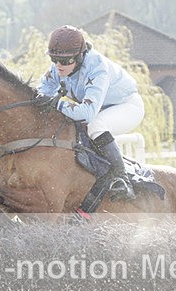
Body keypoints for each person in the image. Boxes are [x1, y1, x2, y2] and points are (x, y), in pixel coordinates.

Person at [37, 25, 145, 201]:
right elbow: (40, 94)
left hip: (127, 106)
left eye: (65, 61)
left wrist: (55, 102)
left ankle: (121, 179)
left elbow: (86, 114)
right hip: (99, 109)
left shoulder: (97, 67)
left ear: (80, 57)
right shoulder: (58, 68)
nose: (58, 65)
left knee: (96, 125)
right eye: (54, 59)